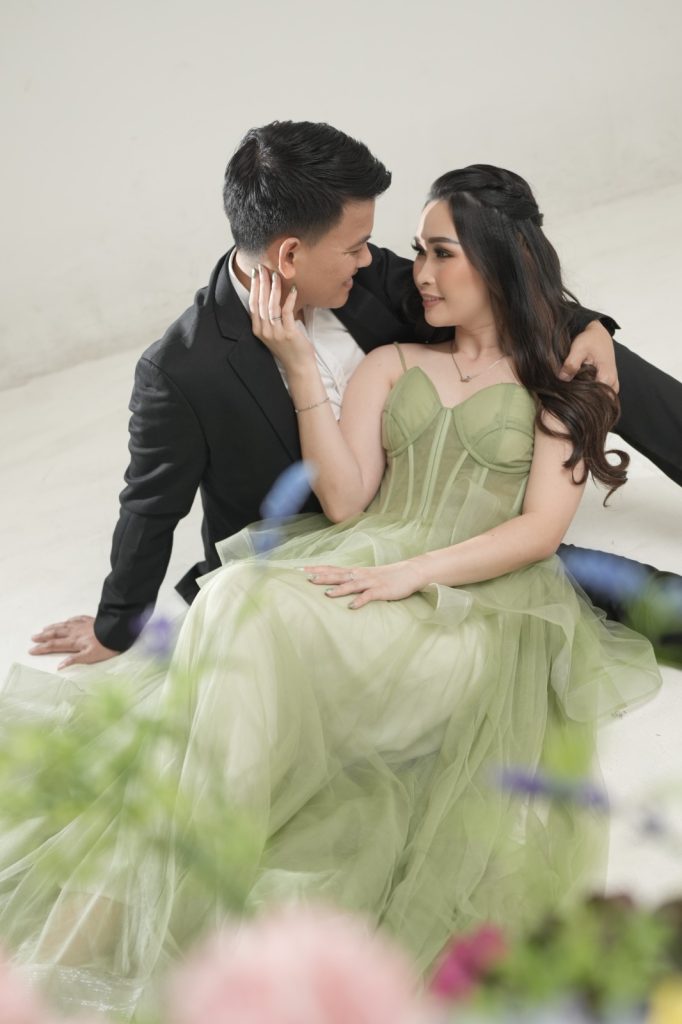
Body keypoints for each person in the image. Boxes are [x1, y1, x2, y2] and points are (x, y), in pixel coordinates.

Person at [0, 164, 662, 1020]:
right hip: (361, 563)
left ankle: (144, 892)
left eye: (440, 253)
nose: (418, 273)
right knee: (235, 595)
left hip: (468, 614)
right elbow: (347, 502)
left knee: (230, 656)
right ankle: (188, 860)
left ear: (499, 259)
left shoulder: (567, 379)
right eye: (417, 251)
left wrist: (411, 573)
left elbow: (539, 529)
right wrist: (299, 367)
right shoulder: (391, 362)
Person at [27, 121, 682, 669]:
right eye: (357, 246)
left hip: (447, 501)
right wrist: (117, 626)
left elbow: (493, 284)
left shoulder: (363, 279)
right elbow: (149, 507)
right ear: (290, 256)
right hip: (314, 548)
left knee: (588, 361)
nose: (374, 259)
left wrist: (588, 325)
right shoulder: (183, 370)